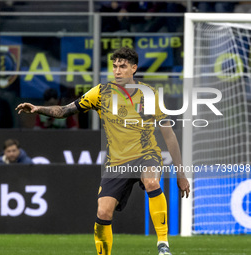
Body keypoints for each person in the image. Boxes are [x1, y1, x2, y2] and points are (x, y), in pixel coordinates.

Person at [16, 47, 190, 255]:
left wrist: (180, 173)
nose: (117, 71)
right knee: (103, 212)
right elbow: (64, 110)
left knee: (152, 181)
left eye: (123, 67)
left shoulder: (148, 94)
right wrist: (38, 109)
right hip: (116, 162)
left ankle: (163, 245)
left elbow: (168, 134)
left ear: (133, 68)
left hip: (146, 154)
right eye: (115, 66)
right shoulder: (100, 92)